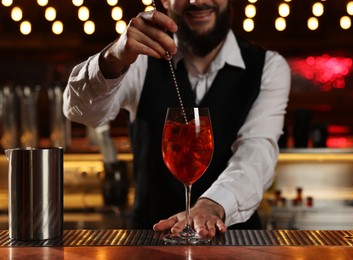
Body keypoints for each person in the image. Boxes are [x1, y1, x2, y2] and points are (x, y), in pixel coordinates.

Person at [63, 0, 291, 238]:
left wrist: (213, 204)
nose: (198, 1)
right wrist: (114, 57)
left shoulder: (269, 67)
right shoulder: (139, 58)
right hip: (149, 242)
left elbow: (256, 152)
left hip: (236, 242)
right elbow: (81, 112)